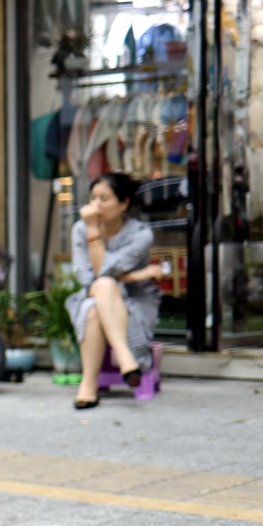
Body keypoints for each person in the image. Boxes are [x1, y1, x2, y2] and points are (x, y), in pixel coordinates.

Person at [67, 171, 162, 410]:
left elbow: (106, 270)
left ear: (123, 204)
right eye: (93, 198)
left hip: (136, 298)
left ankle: (88, 386)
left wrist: (120, 277)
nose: (96, 205)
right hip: (92, 292)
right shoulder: (80, 229)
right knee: (100, 292)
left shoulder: (141, 234)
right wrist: (139, 274)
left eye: (104, 198)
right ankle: (125, 357)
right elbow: (88, 277)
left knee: (96, 304)